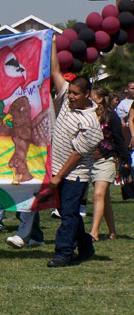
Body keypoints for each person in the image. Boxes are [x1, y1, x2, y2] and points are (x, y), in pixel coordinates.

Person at [47, 40, 103, 268]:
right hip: (58, 170)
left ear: (87, 94)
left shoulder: (91, 123)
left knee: (68, 214)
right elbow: (55, 71)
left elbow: (77, 155)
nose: (69, 97)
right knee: (66, 211)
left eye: (75, 94)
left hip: (73, 174)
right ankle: (86, 247)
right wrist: (51, 44)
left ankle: (64, 253)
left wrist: (58, 176)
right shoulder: (67, 101)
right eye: (69, 92)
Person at [90, 86, 130, 241]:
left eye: (92, 96)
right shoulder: (89, 115)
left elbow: (119, 139)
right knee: (104, 197)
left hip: (107, 158)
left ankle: (94, 233)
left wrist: (126, 160)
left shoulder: (111, 117)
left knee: (98, 194)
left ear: (99, 99)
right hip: (92, 159)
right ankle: (112, 231)